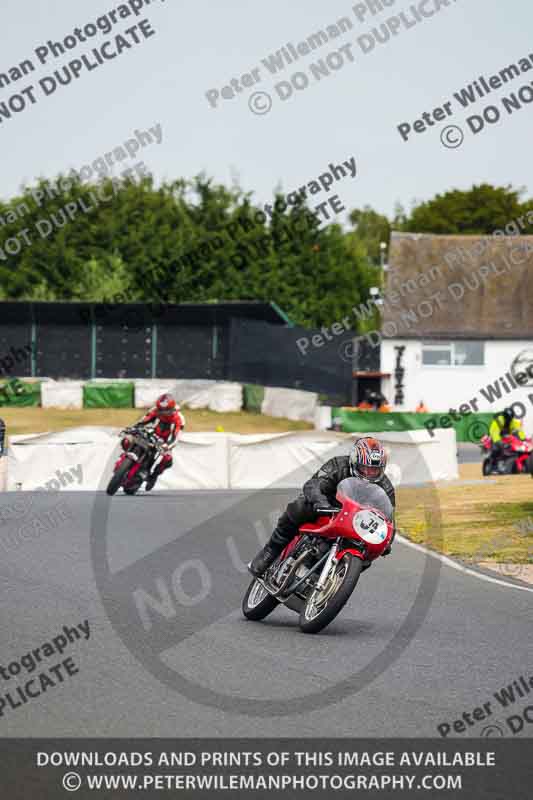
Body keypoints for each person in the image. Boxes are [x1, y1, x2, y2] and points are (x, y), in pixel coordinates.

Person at [249, 436, 395, 577]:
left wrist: (387, 542)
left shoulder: (386, 486)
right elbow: (314, 484)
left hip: (356, 522)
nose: (369, 473)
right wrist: (321, 503)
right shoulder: (338, 465)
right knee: (300, 506)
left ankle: (338, 579)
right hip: (327, 507)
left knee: (368, 552)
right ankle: (269, 552)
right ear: (355, 462)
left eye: (374, 470)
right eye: (365, 468)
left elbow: (389, 519)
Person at [133, 393, 185, 490]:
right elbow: (143, 420)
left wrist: (168, 446)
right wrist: (134, 428)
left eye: (166, 410)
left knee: (167, 459)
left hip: (166, 441)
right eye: (161, 410)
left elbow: (176, 436)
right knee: (128, 439)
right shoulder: (155, 410)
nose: (163, 413)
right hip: (152, 433)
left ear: (172, 408)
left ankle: (154, 476)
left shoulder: (179, 418)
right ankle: (128, 461)